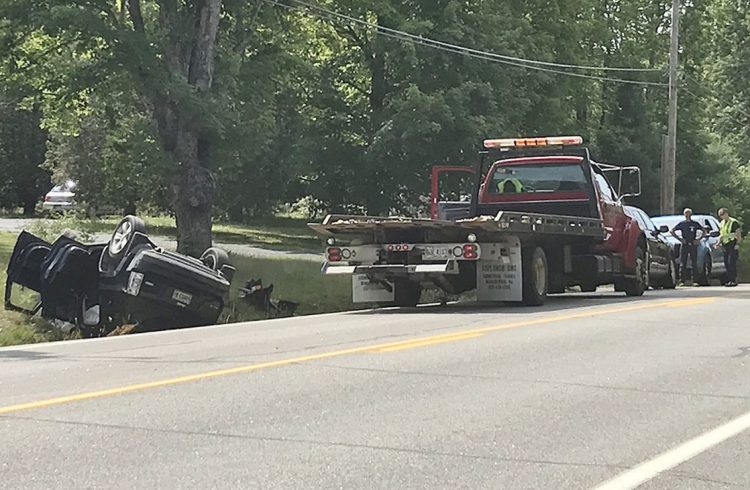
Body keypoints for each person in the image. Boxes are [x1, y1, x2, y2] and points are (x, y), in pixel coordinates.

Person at [670, 207, 703, 286]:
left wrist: (698, 239)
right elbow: (672, 231)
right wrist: (680, 239)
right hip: (684, 244)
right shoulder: (682, 224)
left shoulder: (695, 223)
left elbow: (704, 231)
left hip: (693, 244)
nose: (687, 215)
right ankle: (682, 281)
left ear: (691, 214)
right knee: (683, 263)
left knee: (694, 262)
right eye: (686, 213)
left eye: (688, 213)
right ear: (684, 214)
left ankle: (695, 281)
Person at [716, 208, 742, 287]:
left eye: (722, 214)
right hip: (725, 245)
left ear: (726, 213)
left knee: (731, 263)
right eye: (720, 215)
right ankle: (729, 280)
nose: (722, 216)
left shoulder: (734, 222)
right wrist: (718, 243)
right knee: (726, 263)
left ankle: (733, 280)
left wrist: (737, 244)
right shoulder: (722, 223)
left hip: (733, 244)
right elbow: (722, 234)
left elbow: (738, 234)